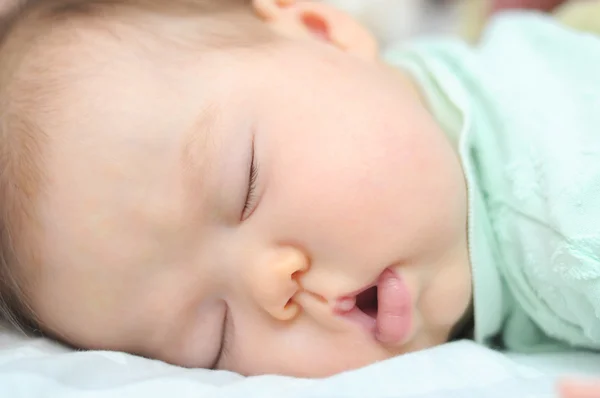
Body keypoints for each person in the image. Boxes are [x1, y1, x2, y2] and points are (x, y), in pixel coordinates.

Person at [0, 0, 598, 392]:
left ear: (321, 29)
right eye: (214, 338)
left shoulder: (560, 202)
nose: (274, 285)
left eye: (247, 184)